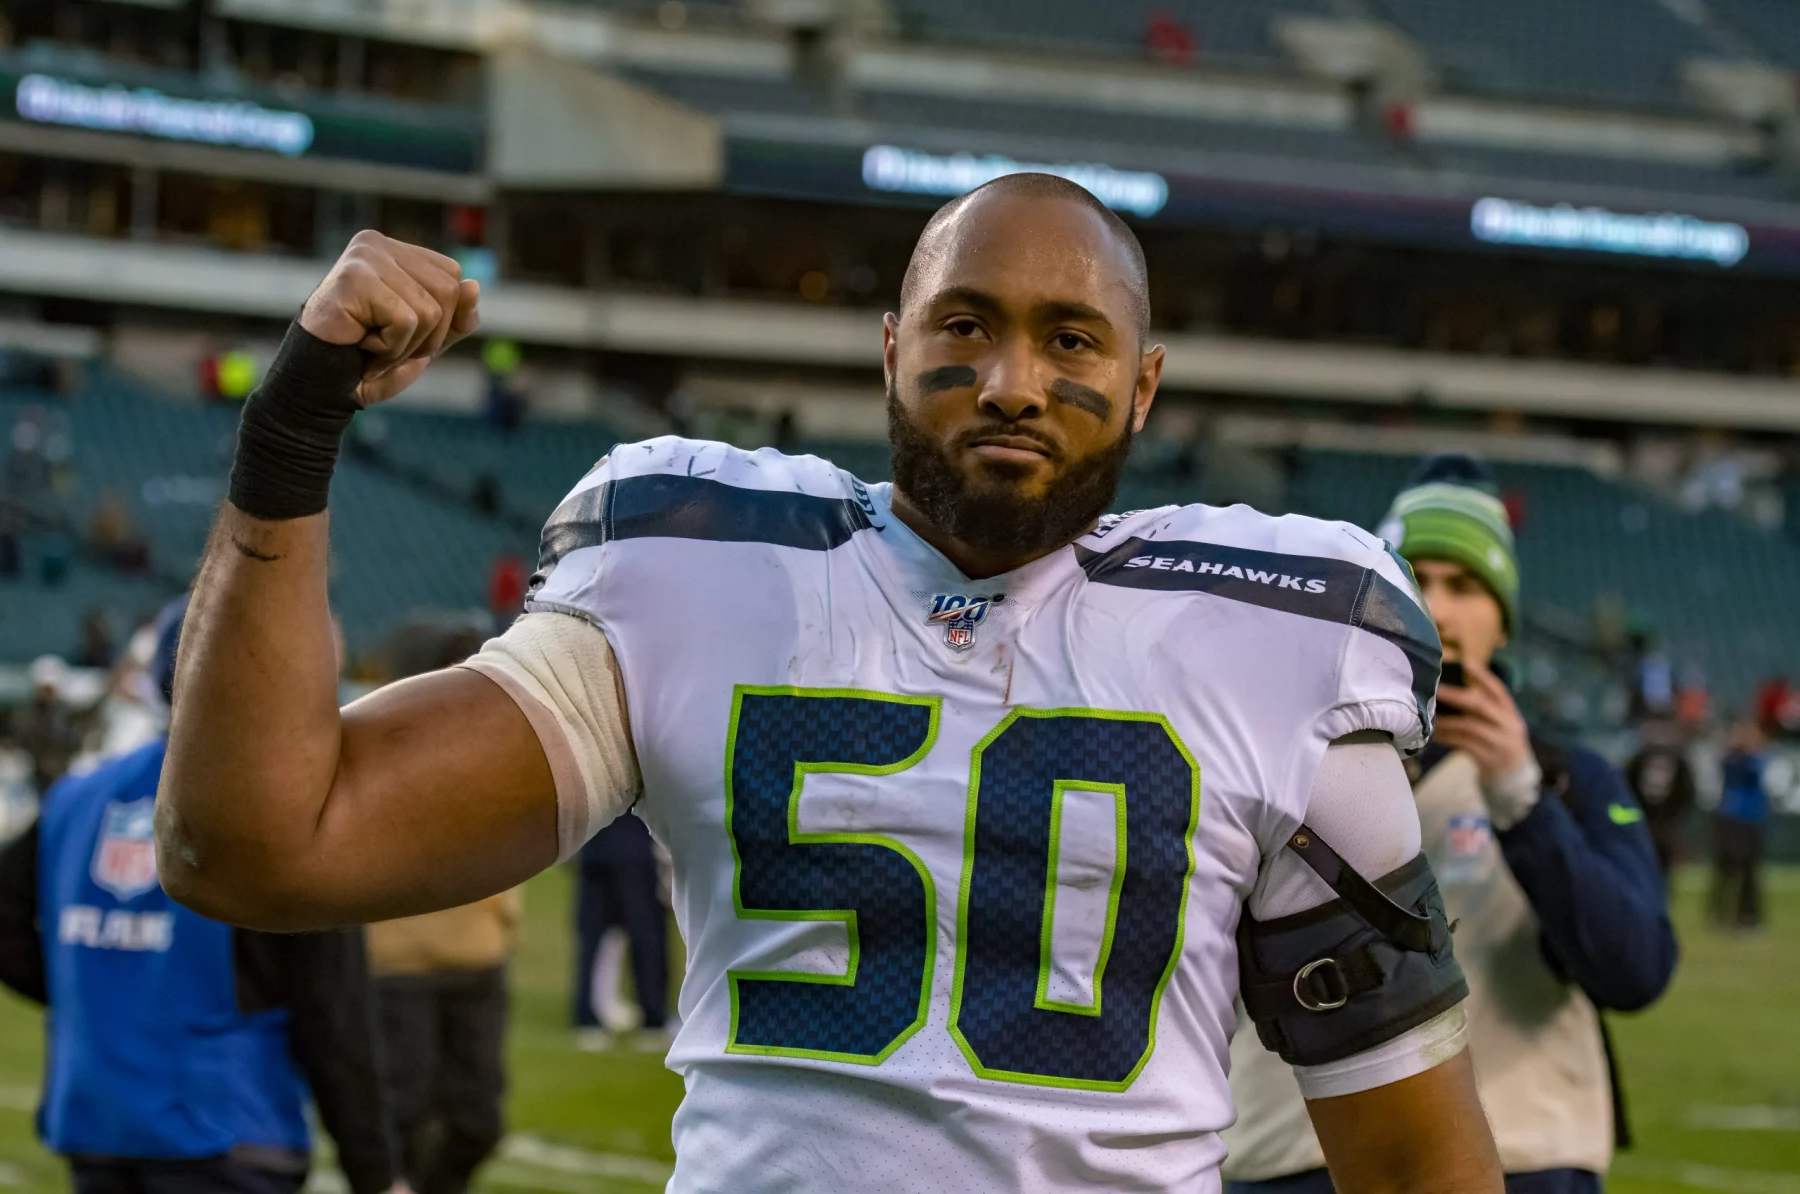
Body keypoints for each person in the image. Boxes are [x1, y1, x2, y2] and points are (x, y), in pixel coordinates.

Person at [157, 189, 1506, 1191]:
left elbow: (1412, 1158)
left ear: (1143, 386)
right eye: (966, 325)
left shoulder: (1272, 641)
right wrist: (291, 430)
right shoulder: (692, 574)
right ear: (890, 348)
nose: (1013, 383)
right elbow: (258, 846)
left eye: (1072, 341)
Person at [1224, 455, 1678, 1194]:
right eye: (1414, 579)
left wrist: (1522, 798)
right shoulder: (1275, 756)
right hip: (1291, 1154)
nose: (1433, 605)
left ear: (1503, 621)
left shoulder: (1572, 779)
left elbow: (1635, 971)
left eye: (1463, 586)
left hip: (1516, 1157)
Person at [0, 600, 398, 1194]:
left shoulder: (77, 796)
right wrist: (377, 1172)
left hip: (99, 1121)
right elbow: (333, 1012)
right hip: (226, 1128)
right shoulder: (276, 811)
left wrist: (96, 993)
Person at [366, 623, 519, 1194]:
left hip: (476, 965)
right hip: (399, 968)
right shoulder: (379, 748)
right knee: (401, 1119)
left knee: (478, 1123)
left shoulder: (495, 750)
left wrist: (502, 925)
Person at [573, 813, 670, 1048]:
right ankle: (652, 1019)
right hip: (635, 849)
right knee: (645, 933)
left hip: (595, 847)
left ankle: (588, 1017)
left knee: (593, 936)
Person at [1711, 720, 1769, 929]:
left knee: (1749, 870)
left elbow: (1756, 773)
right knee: (1725, 869)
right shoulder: (1732, 760)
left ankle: (1747, 915)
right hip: (1731, 817)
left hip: (1751, 818)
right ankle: (1720, 913)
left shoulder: (1757, 759)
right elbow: (1727, 770)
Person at [5, 654, 88, 796]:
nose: (47, 694)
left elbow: (74, 742)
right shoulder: (22, 714)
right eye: (44, 688)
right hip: (31, 773)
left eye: (50, 689)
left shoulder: (70, 715)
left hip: (62, 770)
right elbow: (18, 739)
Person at [1623, 717, 1696, 875]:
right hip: (1643, 825)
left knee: (1662, 872)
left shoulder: (1678, 759)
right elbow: (1626, 788)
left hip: (1665, 828)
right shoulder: (1638, 759)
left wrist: (1673, 819)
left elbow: (1687, 790)